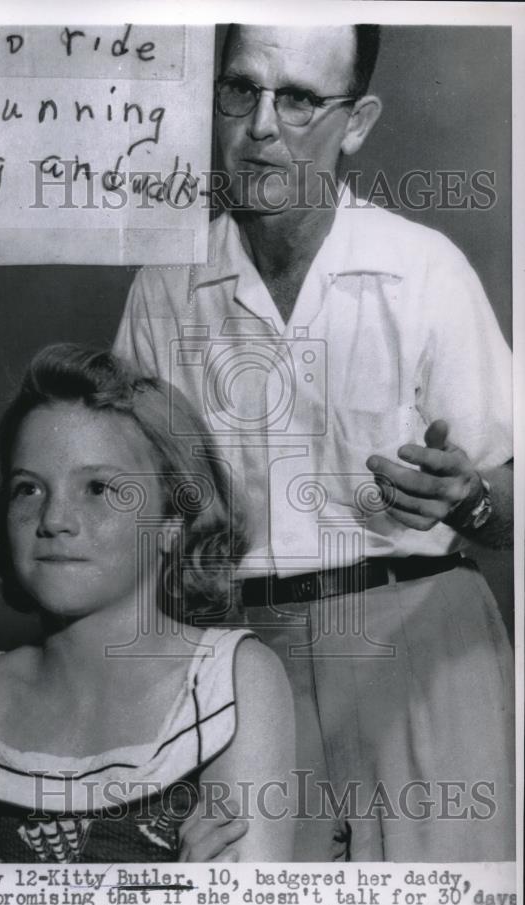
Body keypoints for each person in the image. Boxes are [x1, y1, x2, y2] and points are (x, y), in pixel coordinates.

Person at [114, 24, 514, 862]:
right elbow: (127, 508)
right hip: (235, 655)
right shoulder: (162, 287)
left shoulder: (424, 270)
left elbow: (509, 505)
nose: (260, 125)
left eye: (297, 98)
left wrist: (469, 497)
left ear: (356, 121)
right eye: (239, 89)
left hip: (417, 638)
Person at [0, 344, 294, 864]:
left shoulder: (234, 680)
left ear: (172, 524)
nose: (54, 519)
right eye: (28, 489)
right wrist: (177, 896)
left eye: (97, 487)